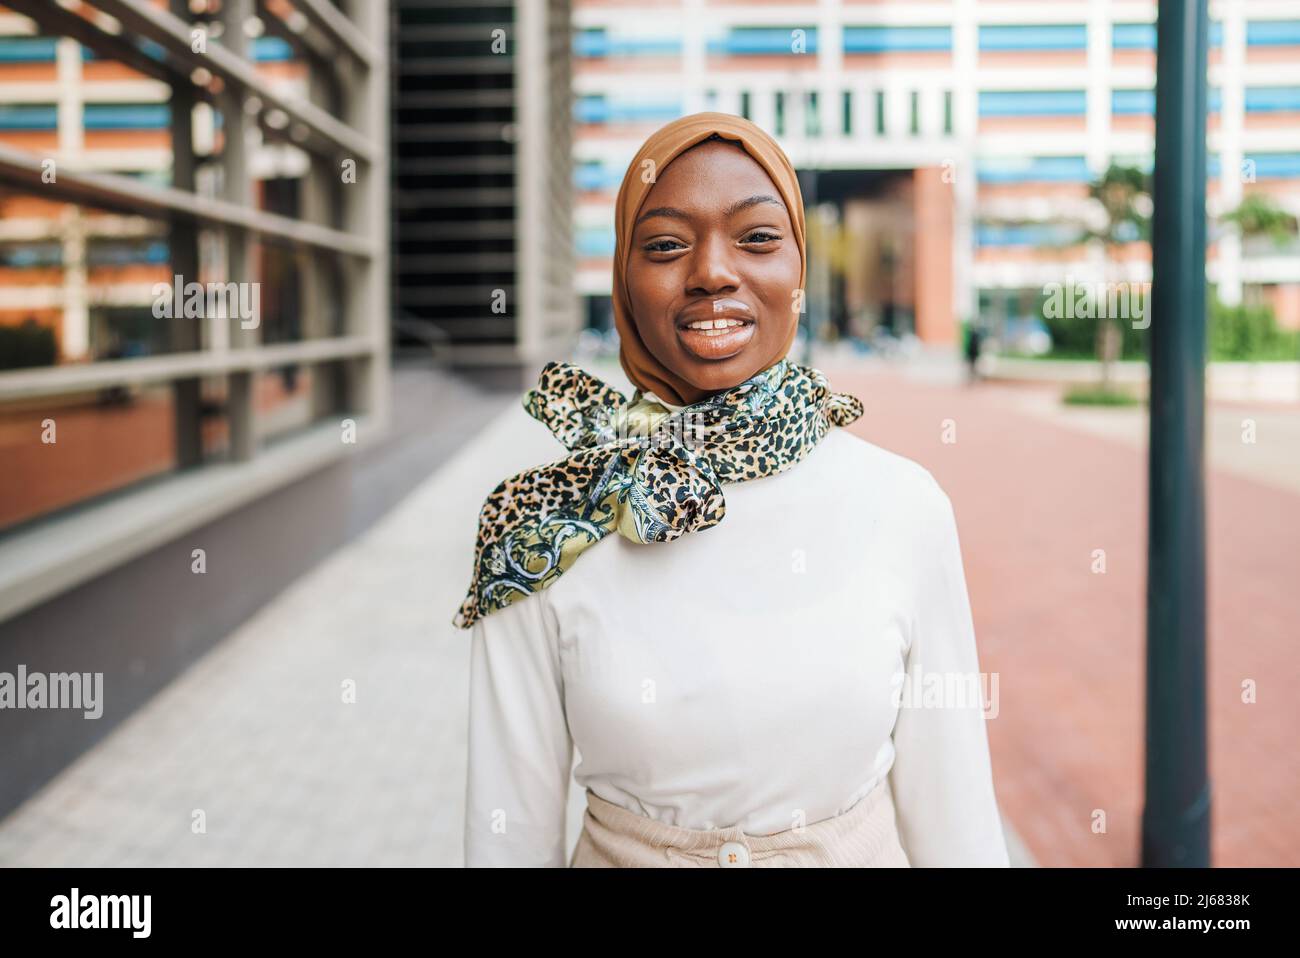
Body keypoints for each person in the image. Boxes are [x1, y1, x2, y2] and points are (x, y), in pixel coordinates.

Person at [456, 113, 1010, 868]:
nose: (712, 272)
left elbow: (959, 827)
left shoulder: (906, 507)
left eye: (757, 238)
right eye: (664, 245)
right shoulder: (549, 522)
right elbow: (507, 837)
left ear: (800, 272)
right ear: (624, 279)